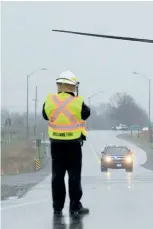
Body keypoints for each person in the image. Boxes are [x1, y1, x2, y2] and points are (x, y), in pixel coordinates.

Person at [42, 70, 90, 217]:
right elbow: (86, 113)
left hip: (56, 145)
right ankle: (74, 206)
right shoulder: (77, 102)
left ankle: (57, 208)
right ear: (73, 87)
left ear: (59, 85)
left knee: (57, 176)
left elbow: (45, 115)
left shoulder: (50, 101)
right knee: (74, 176)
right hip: (73, 145)